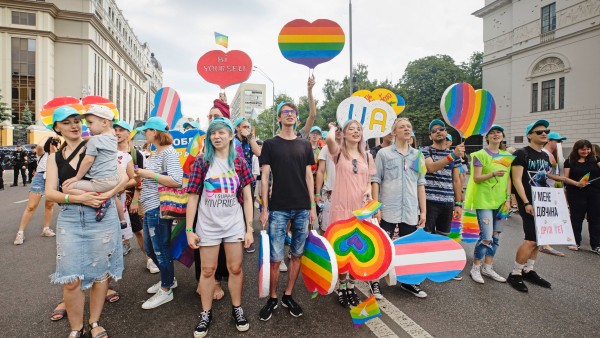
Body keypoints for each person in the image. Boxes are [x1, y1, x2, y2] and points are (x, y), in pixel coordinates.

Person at [45, 105, 127, 338]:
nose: (74, 125)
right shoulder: (54, 158)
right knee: (71, 278)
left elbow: (123, 178)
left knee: (100, 274)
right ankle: (75, 328)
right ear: (57, 127)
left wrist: (104, 196)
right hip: (70, 218)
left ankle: (94, 321)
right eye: (67, 122)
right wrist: (76, 197)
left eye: (77, 120)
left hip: (101, 216)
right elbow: (51, 193)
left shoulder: (97, 143)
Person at [186, 118, 254, 337]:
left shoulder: (239, 163)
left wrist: (250, 228)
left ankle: (237, 308)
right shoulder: (202, 162)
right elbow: (193, 197)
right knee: (207, 271)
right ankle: (206, 313)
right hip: (208, 225)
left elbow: (247, 196)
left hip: (234, 224)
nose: (216, 136)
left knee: (235, 268)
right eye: (213, 133)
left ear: (231, 135)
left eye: (221, 132)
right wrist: (189, 230)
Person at [258, 101, 316, 321]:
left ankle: (287, 295)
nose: (289, 115)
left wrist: (311, 206)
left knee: (297, 255)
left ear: (297, 118)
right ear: (278, 118)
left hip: (302, 208)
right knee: (275, 258)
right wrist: (264, 208)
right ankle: (272, 297)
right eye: (285, 112)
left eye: (293, 112)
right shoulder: (271, 145)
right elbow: (264, 177)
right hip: (278, 208)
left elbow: (309, 177)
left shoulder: (304, 145)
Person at [372, 117, 428, 298]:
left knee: (408, 246)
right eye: (402, 127)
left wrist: (423, 210)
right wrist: (376, 207)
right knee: (382, 246)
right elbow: (376, 181)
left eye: (409, 127)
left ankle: (408, 282)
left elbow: (421, 183)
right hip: (388, 207)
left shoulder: (418, 156)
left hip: (411, 208)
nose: (406, 129)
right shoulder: (383, 154)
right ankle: (375, 281)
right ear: (394, 133)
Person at [508, 119, 565, 292]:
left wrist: (572, 183)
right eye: (539, 131)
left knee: (540, 239)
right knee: (531, 238)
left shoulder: (544, 156)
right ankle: (516, 273)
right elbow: (517, 179)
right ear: (529, 135)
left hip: (543, 202)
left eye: (546, 131)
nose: (544, 133)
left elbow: (547, 176)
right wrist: (524, 202)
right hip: (529, 202)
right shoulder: (522, 153)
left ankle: (529, 269)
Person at [134, 116, 183, 309]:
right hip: (151, 207)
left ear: (155, 132)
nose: (144, 133)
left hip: (159, 208)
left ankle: (166, 289)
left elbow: (176, 180)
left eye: (146, 130)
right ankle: (168, 280)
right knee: (150, 247)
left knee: (160, 249)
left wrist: (147, 174)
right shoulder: (157, 152)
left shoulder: (168, 153)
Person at [325, 120, 376, 305]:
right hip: (341, 209)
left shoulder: (368, 156)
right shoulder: (338, 153)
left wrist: (369, 190)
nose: (356, 132)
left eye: (359, 129)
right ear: (344, 134)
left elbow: (369, 180)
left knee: (358, 250)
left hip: (361, 210)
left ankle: (352, 287)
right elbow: (329, 138)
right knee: (342, 249)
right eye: (351, 129)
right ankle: (341, 286)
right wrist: (333, 128)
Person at [464, 125, 511, 284]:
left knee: (496, 236)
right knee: (486, 237)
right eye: (492, 133)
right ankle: (476, 267)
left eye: (499, 132)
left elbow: (508, 179)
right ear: (487, 137)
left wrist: (509, 198)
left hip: (501, 201)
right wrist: (492, 174)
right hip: (484, 200)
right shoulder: (480, 155)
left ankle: (488, 267)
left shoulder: (507, 156)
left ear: (503, 136)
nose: (496, 134)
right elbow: (476, 178)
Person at [62, 105, 121, 222]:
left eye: (90, 122)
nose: (87, 126)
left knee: (66, 187)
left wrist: (77, 177)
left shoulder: (95, 140)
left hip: (101, 182)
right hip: (115, 178)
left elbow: (88, 160)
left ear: (104, 122)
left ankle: (100, 199)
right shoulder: (113, 138)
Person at [422, 120, 464, 239]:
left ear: (446, 132)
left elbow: (456, 181)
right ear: (431, 136)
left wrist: (458, 204)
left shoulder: (453, 154)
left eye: (441, 129)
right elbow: (431, 167)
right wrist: (453, 156)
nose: (438, 132)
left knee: (443, 238)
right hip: (429, 202)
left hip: (447, 202)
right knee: (426, 237)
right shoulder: (425, 151)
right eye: (434, 131)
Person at [13, 137, 60, 245]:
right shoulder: (42, 153)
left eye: (57, 143)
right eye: (53, 143)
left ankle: (46, 229)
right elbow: (39, 146)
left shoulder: (60, 155)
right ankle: (20, 233)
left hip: (53, 178)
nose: (55, 144)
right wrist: (48, 137)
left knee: (50, 205)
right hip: (40, 178)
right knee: (31, 206)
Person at [564, 139, 600, 253]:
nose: (586, 151)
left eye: (588, 149)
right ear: (576, 149)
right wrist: (577, 183)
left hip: (595, 193)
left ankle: (596, 245)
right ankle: (575, 242)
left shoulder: (596, 159)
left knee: (595, 218)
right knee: (576, 218)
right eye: (583, 149)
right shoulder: (569, 161)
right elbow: (566, 178)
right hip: (576, 193)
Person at [233, 117, 262, 253]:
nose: (247, 129)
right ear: (237, 128)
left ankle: (248, 236)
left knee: (248, 208)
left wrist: (250, 137)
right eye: (244, 127)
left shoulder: (249, 141)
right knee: (235, 209)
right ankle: (236, 236)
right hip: (233, 180)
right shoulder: (232, 140)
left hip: (247, 181)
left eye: (248, 127)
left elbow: (259, 152)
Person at [537, 132, 568, 257]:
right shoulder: (545, 154)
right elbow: (544, 173)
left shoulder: (555, 154)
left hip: (552, 188)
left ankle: (545, 243)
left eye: (561, 141)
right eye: (557, 141)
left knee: (550, 217)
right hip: (544, 189)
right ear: (549, 141)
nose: (559, 143)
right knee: (546, 218)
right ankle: (545, 245)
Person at [315, 124, 342, 233]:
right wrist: (317, 193)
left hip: (348, 195)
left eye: (341, 129)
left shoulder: (352, 148)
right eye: (336, 129)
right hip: (329, 193)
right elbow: (320, 171)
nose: (338, 131)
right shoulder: (326, 149)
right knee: (326, 228)